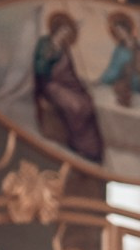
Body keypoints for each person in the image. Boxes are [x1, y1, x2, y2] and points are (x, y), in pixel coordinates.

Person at [32, 12, 104, 164]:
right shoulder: (45, 43)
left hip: (68, 85)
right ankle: (77, 145)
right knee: (77, 106)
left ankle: (92, 150)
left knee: (88, 105)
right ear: (57, 29)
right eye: (64, 30)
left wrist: (82, 88)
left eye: (68, 32)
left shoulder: (65, 48)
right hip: (51, 85)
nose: (66, 34)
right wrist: (50, 55)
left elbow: (70, 72)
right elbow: (39, 69)